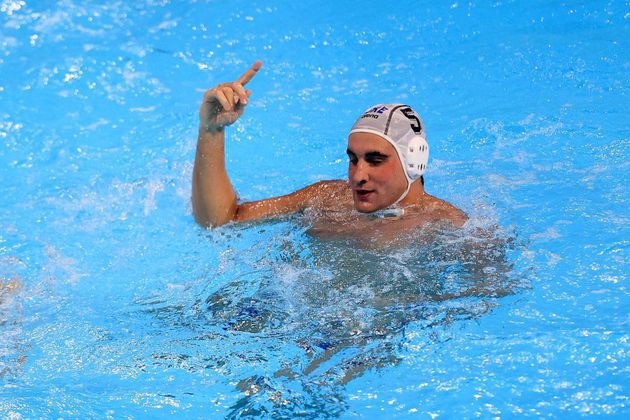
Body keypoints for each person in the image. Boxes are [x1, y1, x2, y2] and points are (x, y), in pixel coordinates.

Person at [192, 61, 467, 233]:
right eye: (353, 159)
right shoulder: (325, 200)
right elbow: (221, 220)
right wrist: (211, 130)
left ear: (415, 160)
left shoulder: (448, 227)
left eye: (375, 160)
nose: (358, 175)